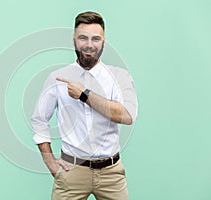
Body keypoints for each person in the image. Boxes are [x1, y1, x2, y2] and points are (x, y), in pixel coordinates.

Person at [31, 11, 138, 200]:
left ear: (103, 42)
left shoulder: (119, 77)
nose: (89, 45)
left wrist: (84, 95)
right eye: (83, 38)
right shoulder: (57, 78)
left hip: (111, 174)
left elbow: (127, 116)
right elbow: (39, 120)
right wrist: (50, 162)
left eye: (96, 38)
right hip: (71, 171)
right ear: (74, 41)